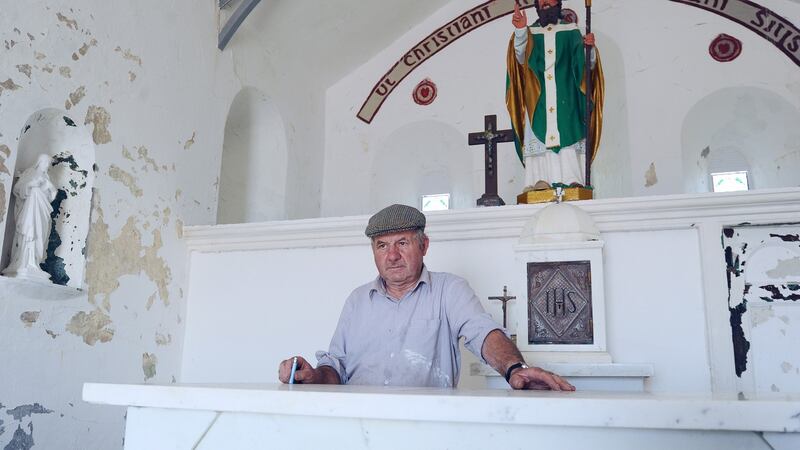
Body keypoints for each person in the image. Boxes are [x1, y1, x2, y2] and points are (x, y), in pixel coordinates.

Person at [278, 204, 574, 391]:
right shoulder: (357, 300)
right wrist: (313, 375)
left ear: (424, 245)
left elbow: (483, 333)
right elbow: (336, 368)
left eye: (402, 243)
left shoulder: (450, 290)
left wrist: (514, 369)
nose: (392, 255)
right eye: (382, 246)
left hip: (427, 425)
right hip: (360, 426)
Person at [506, 0, 604, 191]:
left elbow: (586, 68)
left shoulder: (571, 31)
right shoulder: (529, 32)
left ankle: (573, 179)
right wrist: (520, 31)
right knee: (540, 134)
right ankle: (539, 181)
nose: (545, 2)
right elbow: (519, 58)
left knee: (568, 135)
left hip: (567, 99)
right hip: (538, 100)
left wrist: (588, 49)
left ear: (558, 2)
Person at [2, 153, 57, 281]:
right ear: (39, 162)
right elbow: (17, 189)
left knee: (39, 236)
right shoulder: (29, 173)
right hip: (30, 211)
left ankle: (35, 263)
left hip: (42, 213)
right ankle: (23, 262)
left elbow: (51, 197)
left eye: (48, 165)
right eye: (45, 164)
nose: (47, 167)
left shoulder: (47, 178)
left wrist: (50, 187)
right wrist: (32, 184)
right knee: (28, 234)